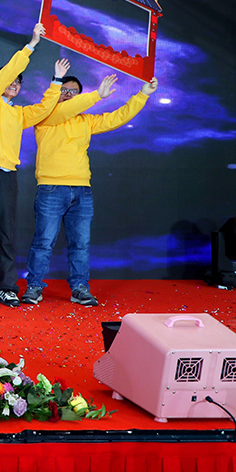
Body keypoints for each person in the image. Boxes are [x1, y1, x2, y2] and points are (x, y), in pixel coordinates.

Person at [22, 74, 159, 307]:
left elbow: (118, 117)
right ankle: (34, 287)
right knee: (43, 242)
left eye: (74, 92)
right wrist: (96, 95)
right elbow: (67, 109)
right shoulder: (45, 116)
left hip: (82, 190)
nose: (68, 95)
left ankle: (80, 288)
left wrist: (142, 94)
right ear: (55, 92)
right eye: (64, 90)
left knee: (81, 245)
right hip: (51, 188)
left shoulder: (85, 121)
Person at [0, 23, 69, 308]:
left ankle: (7, 287)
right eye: (11, 80)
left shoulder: (19, 114)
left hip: (8, 176)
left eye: (19, 82)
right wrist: (31, 45)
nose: (14, 83)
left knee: (6, 233)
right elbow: (6, 74)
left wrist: (57, 81)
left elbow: (44, 109)